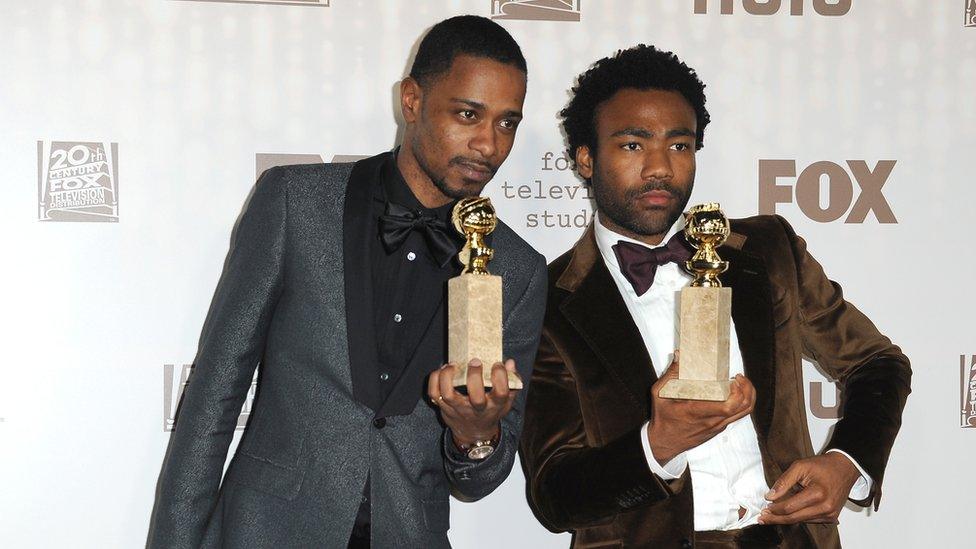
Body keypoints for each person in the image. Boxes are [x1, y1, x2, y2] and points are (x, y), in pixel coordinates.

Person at [148, 15, 546, 548]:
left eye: (507, 123)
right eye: (468, 114)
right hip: (266, 532)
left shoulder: (516, 269)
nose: (488, 145)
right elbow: (214, 397)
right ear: (411, 101)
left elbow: (478, 481)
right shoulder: (295, 203)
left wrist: (476, 435)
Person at [518, 44, 911, 548]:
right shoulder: (547, 303)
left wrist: (846, 462)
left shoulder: (768, 251)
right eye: (633, 145)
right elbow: (556, 496)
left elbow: (877, 362)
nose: (660, 167)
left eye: (679, 146)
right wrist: (657, 444)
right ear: (586, 158)